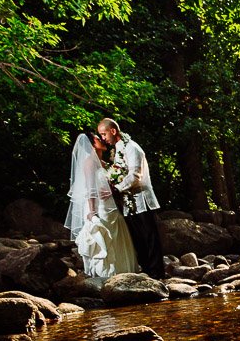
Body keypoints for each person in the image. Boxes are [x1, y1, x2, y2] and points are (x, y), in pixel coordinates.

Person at [97, 117, 166, 278]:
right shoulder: (118, 149)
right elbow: (119, 171)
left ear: (113, 131)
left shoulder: (132, 147)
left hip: (142, 200)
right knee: (137, 238)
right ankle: (147, 271)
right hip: (128, 202)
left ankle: (157, 274)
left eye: (104, 134)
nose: (103, 138)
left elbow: (135, 175)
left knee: (150, 237)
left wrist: (115, 189)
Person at [65, 132, 141, 278]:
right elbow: (90, 189)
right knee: (105, 236)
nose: (102, 140)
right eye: (98, 139)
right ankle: (107, 275)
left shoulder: (104, 164)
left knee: (117, 233)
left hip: (110, 205)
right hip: (99, 207)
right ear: (92, 144)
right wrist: (92, 211)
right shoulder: (89, 163)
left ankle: (123, 273)